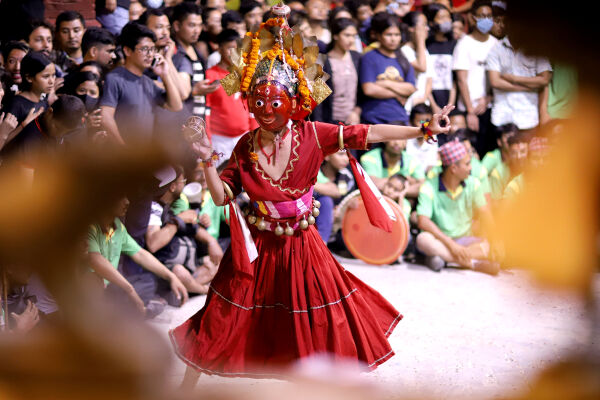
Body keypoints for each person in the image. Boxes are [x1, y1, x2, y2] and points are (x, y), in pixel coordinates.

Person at [169, 13, 454, 385]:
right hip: (258, 245)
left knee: (313, 318)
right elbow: (222, 196)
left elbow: (365, 132)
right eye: (259, 103)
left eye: (275, 104)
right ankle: (186, 388)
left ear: (292, 102)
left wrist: (420, 128)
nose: (266, 112)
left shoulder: (314, 134)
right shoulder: (245, 145)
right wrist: (207, 159)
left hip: (303, 244)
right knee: (223, 310)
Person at [88, 196, 189, 316]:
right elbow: (94, 259)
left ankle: (124, 310)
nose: (127, 202)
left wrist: (171, 276)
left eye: (127, 197)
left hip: (111, 288)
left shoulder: (117, 226)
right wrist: (130, 290)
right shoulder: (89, 227)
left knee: (149, 280)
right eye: (120, 197)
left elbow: (140, 254)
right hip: (90, 288)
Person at [415, 140, 499, 274]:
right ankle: (473, 264)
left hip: (465, 241)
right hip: (440, 240)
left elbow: (485, 213)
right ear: (453, 168)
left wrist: (495, 240)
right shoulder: (429, 186)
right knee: (423, 239)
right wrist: (451, 244)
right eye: (467, 164)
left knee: (489, 245)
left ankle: (444, 259)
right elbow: (422, 220)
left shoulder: (474, 184)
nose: (471, 168)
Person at [100, 22, 183, 144]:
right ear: (128, 51)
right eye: (144, 49)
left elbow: (176, 106)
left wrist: (165, 75)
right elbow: (105, 117)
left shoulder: (148, 83)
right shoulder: (114, 78)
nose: (150, 54)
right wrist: (123, 148)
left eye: (152, 49)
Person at [145, 167, 220, 296]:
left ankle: (189, 288)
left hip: (190, 266)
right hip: (170, 269)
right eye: (182, 181)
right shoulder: (154, 208)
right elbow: (153, 243)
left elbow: (193, 229)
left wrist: (211, 241)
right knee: (179, 272)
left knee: (217, 265)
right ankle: (202, 290)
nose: (185, 184)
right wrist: (179, 220)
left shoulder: (170, 208)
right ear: (172, 187)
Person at [452, 0, 498, 157]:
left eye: (489, 16)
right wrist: (470, 112)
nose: (486, 20)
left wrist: (488, 98)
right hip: (469, 109)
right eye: (482, 16)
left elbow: (499, 77)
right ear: (472, 18)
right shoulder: (464, 44)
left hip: (489, 107)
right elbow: (461, 80)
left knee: (488, 150)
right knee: (471, 151)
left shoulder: (496, 44)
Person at [205, 29, 259, 161]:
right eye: (229, 48)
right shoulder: (210, 75)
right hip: (219, 140)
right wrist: (208, 141)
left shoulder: (241, 74)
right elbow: (206, 112)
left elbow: (248, 106)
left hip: (243, 137)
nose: (234, 53)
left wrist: (255, 135)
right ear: (219, 48)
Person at [360, 12, 416, 125]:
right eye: (388, 34)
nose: (393, 39)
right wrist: (397, 94)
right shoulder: (369, 57)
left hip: (400, 117)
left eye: (397, 35)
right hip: (374, 119)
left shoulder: (402, 58)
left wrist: (385, 83)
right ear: (378, 36)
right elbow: (369, 89)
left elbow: (411, 88)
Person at [486, 35, 552, 131]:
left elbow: (544, 80)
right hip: (502, 117)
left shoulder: (537, 48)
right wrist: (528, 87)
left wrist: (514, 79)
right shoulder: (496, 48)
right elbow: (495, 82)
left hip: (529, 119)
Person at [171, 2, 219, 123]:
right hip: (178, 124)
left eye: (199, 25)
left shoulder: (195, 51)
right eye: (192, 25)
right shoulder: (173, 53)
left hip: (196, 123)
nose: (197, 30)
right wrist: (194, 90)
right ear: (177, 25)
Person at [0, 52, 56, 146]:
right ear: (29, 77)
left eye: (53, 75)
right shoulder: (16, 104)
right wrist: (23, 126)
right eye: (46, 76)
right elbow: (3, 143)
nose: (51, 81)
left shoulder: (44, 103)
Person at [312, 18, 361, 124]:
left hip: (353, 121)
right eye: (347, 35)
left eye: (354, 36)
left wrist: (356, 112)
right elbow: (317, 98)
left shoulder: (357, 58)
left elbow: (362, 91)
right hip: (330, 121)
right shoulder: (323, 62)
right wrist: (318, 126)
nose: (351, 40)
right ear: (335, 35)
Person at [423, 3, 456, 124]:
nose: (446, 21)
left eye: (448, 17)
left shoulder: (454, 44)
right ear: (431, 22)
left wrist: (450, 105)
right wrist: (433, 105)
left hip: (449, 97)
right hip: (431, 96)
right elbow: (425, 78)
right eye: (441, 18)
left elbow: (454, 79)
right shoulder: (426, 45)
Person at [314, 150, 355, 242]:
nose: (346, 159)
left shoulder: (347, 177)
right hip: (312, 214)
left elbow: (342, 197)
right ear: (327, 156)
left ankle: (322, 245)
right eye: (340, 154)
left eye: (347, 155)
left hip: (334, 222)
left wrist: (341, 211)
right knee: (326, 201)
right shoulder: (315, 169)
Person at [401, 11, 433, 114]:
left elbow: (429, 78)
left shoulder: (424, 50)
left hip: (423, 104)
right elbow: (422, 67)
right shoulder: (404, 50)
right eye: (424, 25)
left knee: (426, 129)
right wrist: (420, 40)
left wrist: (424, 98)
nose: (427, 28)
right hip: (410, 106)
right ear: (412, 28)